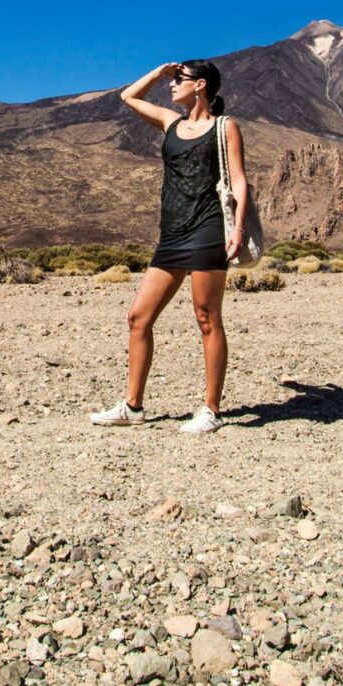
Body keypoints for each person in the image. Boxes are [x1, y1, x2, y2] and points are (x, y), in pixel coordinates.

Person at [88, 59, 248, 435]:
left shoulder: (224, 127)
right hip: (173, 233)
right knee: (138, 317)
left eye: (179, 79)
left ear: (201, 85)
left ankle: (210, 409)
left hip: (208, 228)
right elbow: (129, 96)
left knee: (207, 319)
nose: (172, 85)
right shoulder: (170, 122)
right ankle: (133, 406)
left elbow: (239, 180)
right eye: (171, 80)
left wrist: (238, 228)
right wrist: (159, 72)